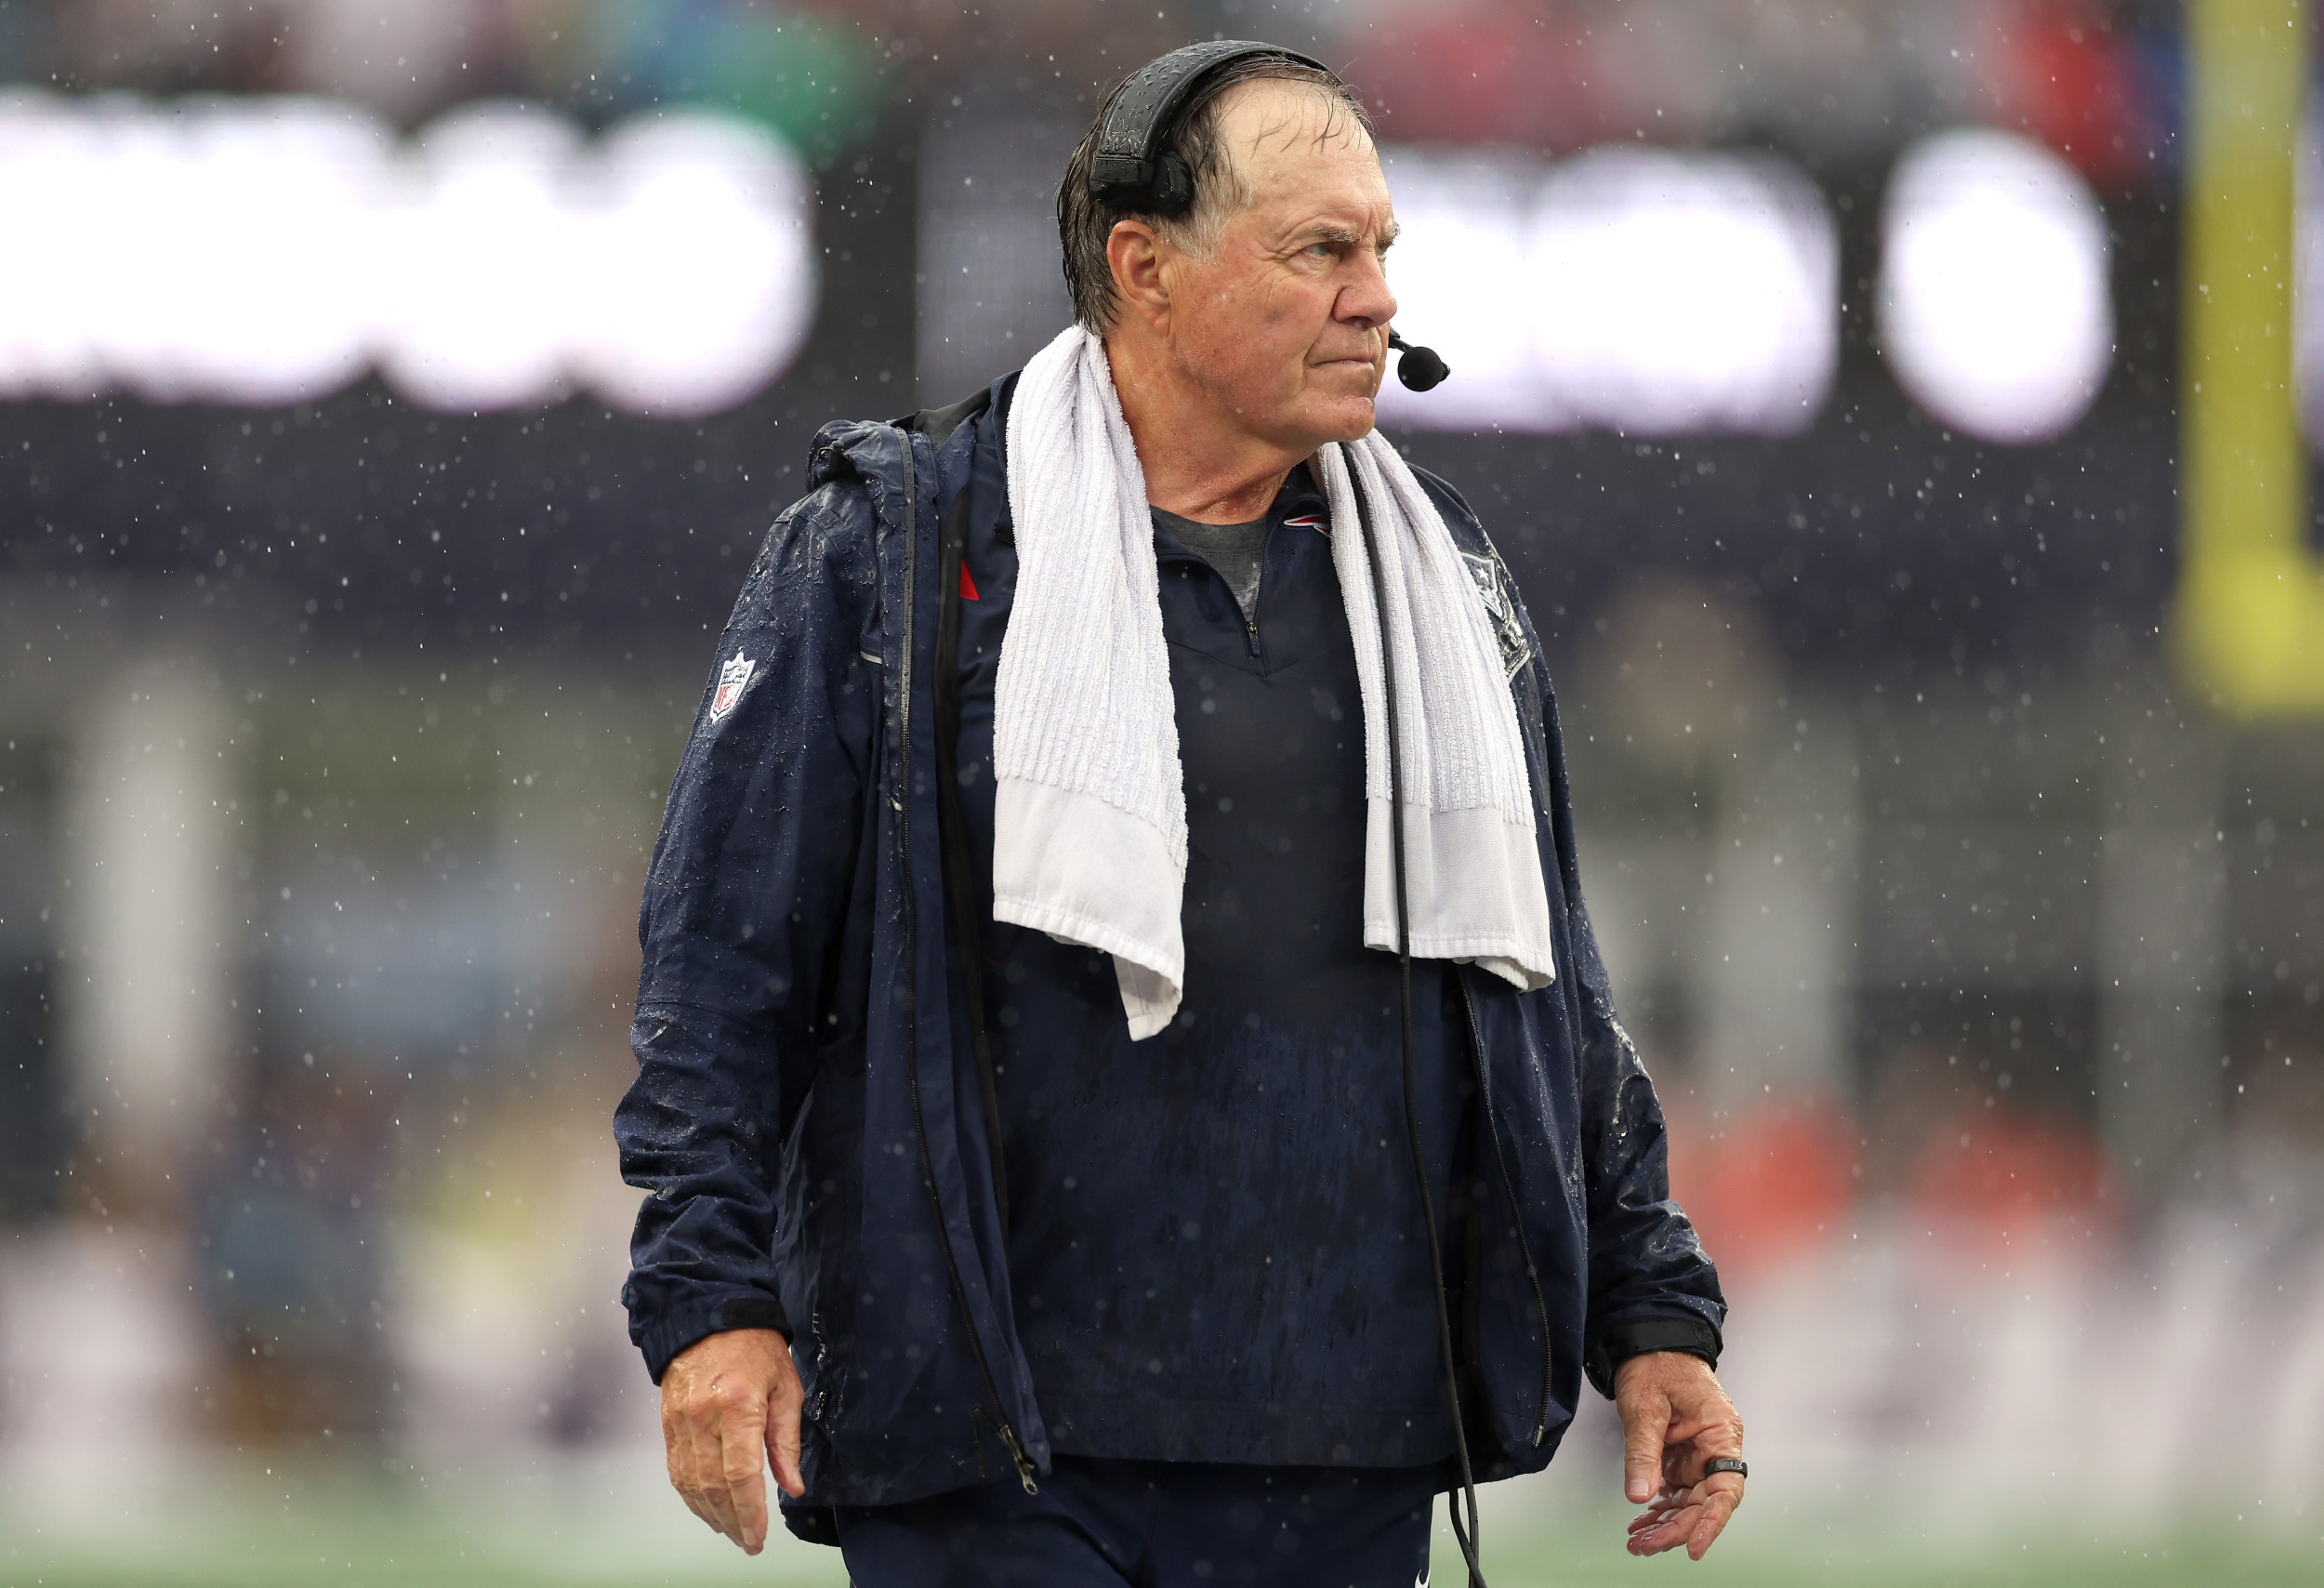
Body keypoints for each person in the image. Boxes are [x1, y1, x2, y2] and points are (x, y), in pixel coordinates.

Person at [615, 42, 1743, 1587]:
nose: (1377, 300)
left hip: (1344, 1444)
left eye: (1383, 251)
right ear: (1144, 267)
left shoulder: (1443, 580)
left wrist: (1653, 1311)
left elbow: (1548, 983)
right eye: (1320, 252)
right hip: (993, 1451)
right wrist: (710, 1301)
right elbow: (720, 963)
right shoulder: (893, 550)